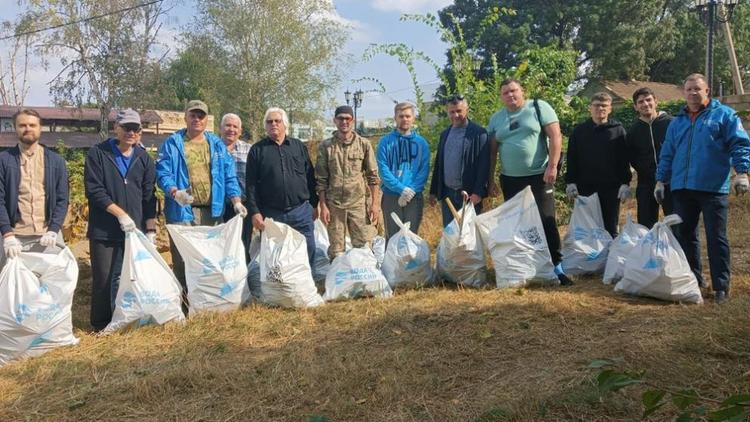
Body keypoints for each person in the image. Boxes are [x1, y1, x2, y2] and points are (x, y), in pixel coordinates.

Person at [655, 73, 750, 304]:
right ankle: (694, 280)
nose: (692, 93)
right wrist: (661, 179)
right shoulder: (677, 122)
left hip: (712, 187)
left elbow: (739, 143)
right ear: (683, 92)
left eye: (697, 89)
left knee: (716, 237)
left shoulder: (724, 116)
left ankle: (721, 287)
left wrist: (743, 172)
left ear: (707, 91)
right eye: (688, 89)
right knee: (685, 236)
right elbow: (667, 152)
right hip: (682, 188)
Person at [155, 100, 245, 300]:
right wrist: (174, 191)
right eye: (193, 115)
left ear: (206, 120)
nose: (197, 119)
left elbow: (229, 175)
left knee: (211, 257)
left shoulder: (216, 145)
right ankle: (185, 300)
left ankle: (209, 298)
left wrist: (236, 200)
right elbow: (163, 172)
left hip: (211, 212)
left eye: (201, 116)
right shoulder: (172, 143)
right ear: (185, 117)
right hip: (181, 211)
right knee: (182, 258)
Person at [486, 78, 572, 285]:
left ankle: (557, 267)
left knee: (546, 220)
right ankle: (528, 265)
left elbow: (556, 137)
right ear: (501, 96)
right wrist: (489, 180)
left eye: (513, 90)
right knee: (518, 223)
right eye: (505, 92)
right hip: (510, 179)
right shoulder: (496, 119)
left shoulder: (538, 108)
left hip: (539, 176)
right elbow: (491, 152)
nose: (510, 95)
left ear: (522, 90)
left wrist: (552, 166)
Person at [84, 109, 157, 331]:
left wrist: (151, 230)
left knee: (130, 277)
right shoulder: (98, 154)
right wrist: (120, 214)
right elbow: (94, 190)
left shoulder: (144, 158)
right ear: (116, 127)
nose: (131, 133)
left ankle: (126, 319)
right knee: (104, 279)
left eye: (135, 129)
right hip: (104, 230)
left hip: (133, 231)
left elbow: (149, 195)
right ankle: (101, 326)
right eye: (126, 128)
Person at [245, 107, 318, 264]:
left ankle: (306, 286)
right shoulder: (257, 150)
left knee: (309, 248)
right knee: (276, 257)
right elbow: (251, 185)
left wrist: (314, 204)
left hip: (301, 212)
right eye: (269, 122)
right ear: (265, 126)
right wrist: (255, 212)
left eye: (277, 121)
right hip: (272, 214)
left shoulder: (298, 147)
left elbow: (310, 176)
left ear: (285, 124)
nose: (273, 124)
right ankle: (280, 289)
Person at [0, 108, 68, 270]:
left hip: (47, 236)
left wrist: (53, 229)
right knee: (11, 287)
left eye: (32, 125)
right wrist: (7, 234)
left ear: (40, 128)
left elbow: (62, 199)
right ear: (15, 128)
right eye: (22, 125)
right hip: (14, 237)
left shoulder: (55, 161)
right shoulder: (4, 161)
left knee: (48, 286)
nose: (27, 128)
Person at [316, 105, 380, 259]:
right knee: (337, 251)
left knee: (363, 246)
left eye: (347, 118)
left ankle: (362, 280)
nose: (344, 121)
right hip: (334, 205)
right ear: (335, 121)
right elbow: (320, 180)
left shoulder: (364, 145)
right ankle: (339, 281)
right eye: (341, 118)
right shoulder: (326, 146)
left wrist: (375, 204)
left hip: (358, 204)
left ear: (353, 121)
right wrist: (323, 206)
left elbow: (373, 176)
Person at [565, 92, 631, 237]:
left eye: (604, 106)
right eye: (596, 105)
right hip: (585, 188)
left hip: (611, 189)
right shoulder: (579, 132)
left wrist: (625, 183)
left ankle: (609, 258)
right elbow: (572, 158)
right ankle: (590, 259)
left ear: (610, 109)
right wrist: (570, 182)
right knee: (587, 228)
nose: (600, 108)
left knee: (610, 227)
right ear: (590, 108)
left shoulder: (618, 131)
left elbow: (624, 159)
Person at [429, 94, 490, 227]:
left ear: (467, 110)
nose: (455, 115)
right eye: (452, 112)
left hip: (469, 196)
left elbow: (484, 166)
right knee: (451, 235)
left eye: (459, 111)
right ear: (447, 112)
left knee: (470, 236)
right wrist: (434, 191)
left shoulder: (479, 133)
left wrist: (478, 192)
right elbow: (439, 164)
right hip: (448, 195)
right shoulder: (445, 134)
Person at [376, 102, 430, 241]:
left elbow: (423, 170)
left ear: (413, 118)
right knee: (393, 237)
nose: (404, 119)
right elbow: (383, 170)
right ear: (395, 118)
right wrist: (401, 189)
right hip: (391, 196)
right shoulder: (385, 142)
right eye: (401, 116)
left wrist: (410, 191)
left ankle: (411, 263)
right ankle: (391, 263)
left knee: (411, 237)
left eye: (407, 116)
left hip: (414, 196)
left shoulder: (421, 143)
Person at [625, 87, 674, 228]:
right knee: (646, 227)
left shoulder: (671, 123)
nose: (645, 104)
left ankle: (678, 250)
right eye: (640, 102)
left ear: (656, 102)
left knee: (677, 225)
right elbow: (631, 157)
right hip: (646, 183)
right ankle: (650, 251)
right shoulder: (633, 131)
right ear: (635, 106)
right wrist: (645, 170)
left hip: (672, 182)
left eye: (648, 100)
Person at [220, 113, 253, 260]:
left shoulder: (249, 150)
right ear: (221, 128)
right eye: (227, 125)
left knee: (243, 244)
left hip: (242, 207)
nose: (231, 129)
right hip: (219, 207)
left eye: (235, 126)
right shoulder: (213, 149)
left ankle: (242, 279)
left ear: (240, 130)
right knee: (221, 245)